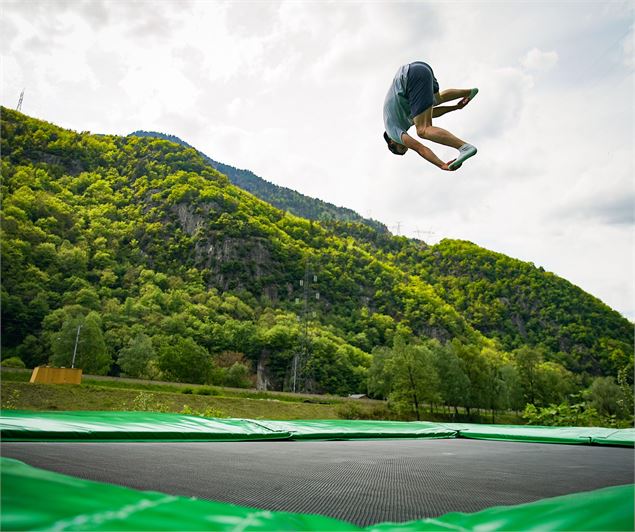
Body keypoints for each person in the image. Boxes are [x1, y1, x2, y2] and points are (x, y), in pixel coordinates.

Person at [383, 61, 478, 171]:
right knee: (437, 99)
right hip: (421, 68)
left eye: (402, 145)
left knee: (422, 130)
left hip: (409, 78)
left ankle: (464, 147)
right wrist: (455, 107)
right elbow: (432, 113)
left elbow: (420, 148)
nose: (406, 143)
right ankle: (468, 93)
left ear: (391, 142)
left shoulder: (392, 131)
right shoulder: (400, 119)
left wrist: (443, 165)